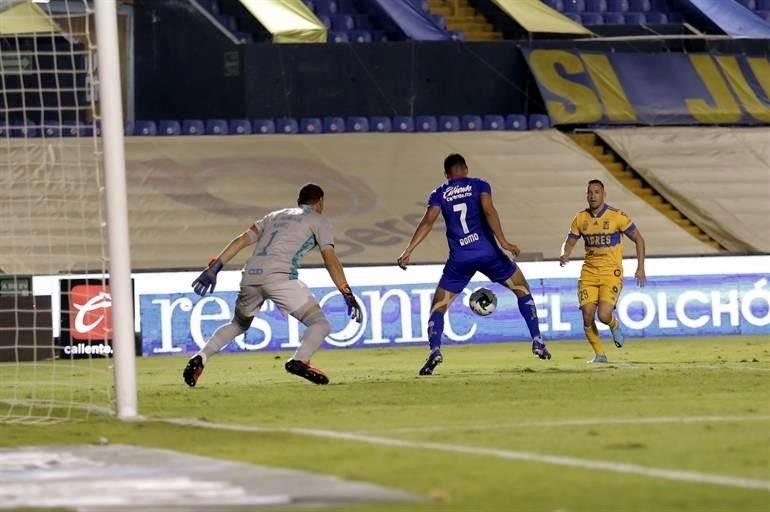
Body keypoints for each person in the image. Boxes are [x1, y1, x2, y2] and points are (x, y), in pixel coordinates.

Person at [183, 184, 362, 387]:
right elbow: (330, 259)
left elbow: (241, 240)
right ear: (320, 201)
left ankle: (201, 357)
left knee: (238, 324)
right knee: (320, 324)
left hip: (250, 276)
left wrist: (214, 268)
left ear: (299, 200)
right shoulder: (318, 220)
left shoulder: (273, 216)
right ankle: (299, 360)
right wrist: (346, 292)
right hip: (280, 278)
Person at [397, 153, 551, 376]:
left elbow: (428, 222)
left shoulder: (440, 193)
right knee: (521, 289)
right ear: (466, 169)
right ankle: (537, 341)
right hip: (488, 253)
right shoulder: (480, 185)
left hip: (460, 259)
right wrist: (504, 242)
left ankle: (435, 350)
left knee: (438, 307)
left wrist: (408, 251)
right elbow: (489, 211)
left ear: (447, 174)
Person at [559, 179, 646, 363]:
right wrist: (565, 253)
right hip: (588, 273)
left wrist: (640, 267)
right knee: (587, 316)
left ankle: (614, 325)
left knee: (604, 315)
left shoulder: (617, 216)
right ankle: (600, 354)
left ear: (604, 195)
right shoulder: (580, 218)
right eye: (589, 192)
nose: (592, 196)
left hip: (611, 273)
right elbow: (570, 241)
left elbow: (639, 239)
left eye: (596, 192)